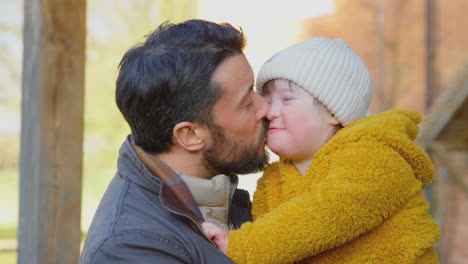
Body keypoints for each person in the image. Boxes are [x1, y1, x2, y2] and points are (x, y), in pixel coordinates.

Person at [202, 37, 440, 264]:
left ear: (334, 113)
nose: (269, 111)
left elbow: (331, 212)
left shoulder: (374, 153)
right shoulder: (273, 181)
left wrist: (244, 247)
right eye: (267, 99)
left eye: (286, 99)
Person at [79, 19, 270, 264]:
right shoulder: (132, 249)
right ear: (190, 135)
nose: (265, 107)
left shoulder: (215, 196)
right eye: (247, 102)